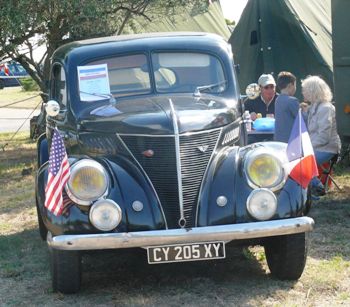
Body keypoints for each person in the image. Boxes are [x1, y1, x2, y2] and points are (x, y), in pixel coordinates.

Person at [301, 75, 341, 195]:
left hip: (328, 148)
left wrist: (307, 147)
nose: (303, 92)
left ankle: (318, 188)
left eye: (305, 90)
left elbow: (324, 136)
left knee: (302, 163)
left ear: (313, 91)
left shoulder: (325, 108)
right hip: (318, 147)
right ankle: (311, 188)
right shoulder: (314, 107)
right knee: (297, 159)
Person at [274, 71, 299, 143]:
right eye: (295, 85)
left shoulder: (278, 99)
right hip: (291, 140)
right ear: (290, 85)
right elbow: (301, 118)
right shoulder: (292, 101)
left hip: (279, 139)